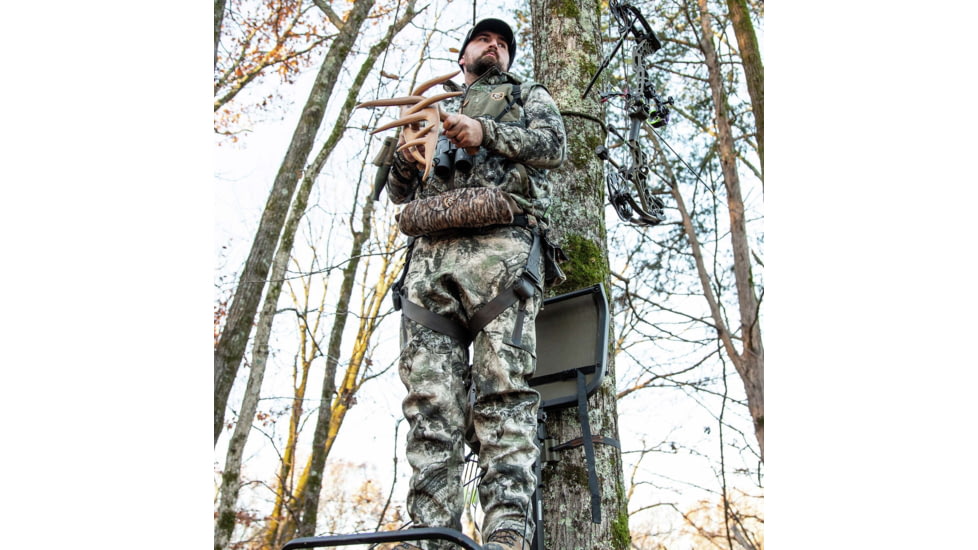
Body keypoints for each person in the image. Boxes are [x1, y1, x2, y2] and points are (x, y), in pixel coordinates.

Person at [384, 17, 567, 550]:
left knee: (503, 396)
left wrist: (484, 132)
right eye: (484, 39)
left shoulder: (527, 93)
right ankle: (431, 536)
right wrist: (408, 147)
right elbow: (398, 191)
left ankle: (505, 534)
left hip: (501, 260)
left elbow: (552, 146)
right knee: (429, 404)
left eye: (504, 43)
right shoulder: (428, 107)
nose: (495, 46)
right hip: (428, 270)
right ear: (462, 54)